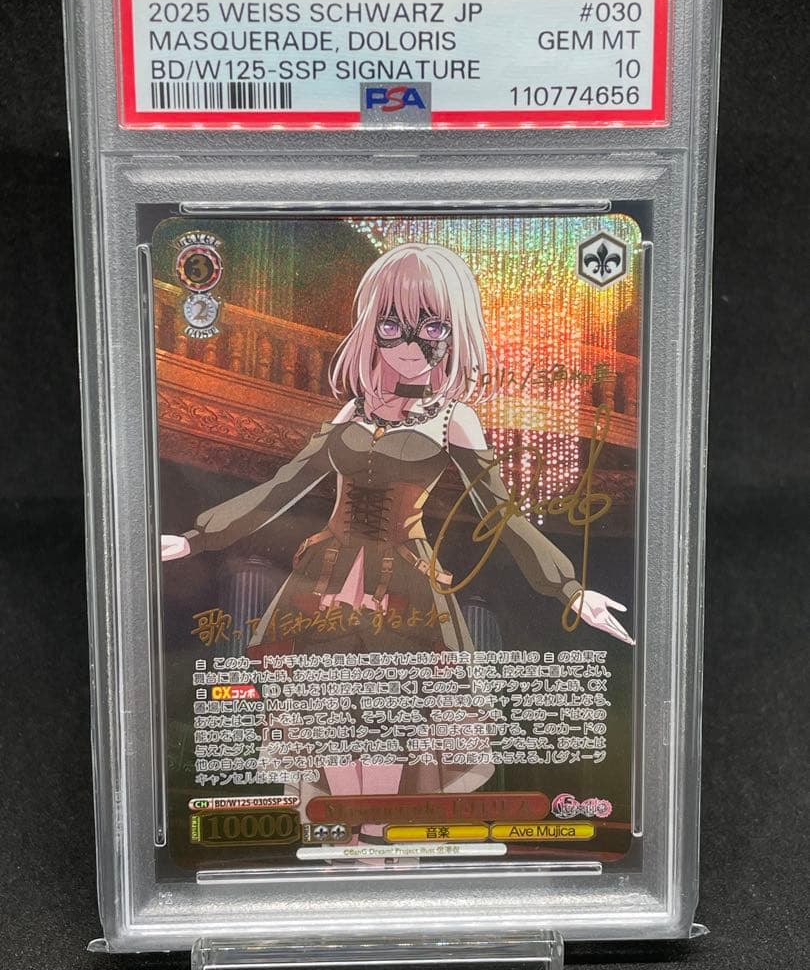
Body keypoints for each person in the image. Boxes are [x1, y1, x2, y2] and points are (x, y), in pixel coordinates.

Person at [162, 241, 632, 825]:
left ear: (454, 333)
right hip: (325, 583)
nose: (411, 345)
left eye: (432, 328)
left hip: (402, 589)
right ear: (371, 328)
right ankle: (345, 847)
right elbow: (283, 488)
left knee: (393, 726)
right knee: (327, 726)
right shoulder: (350, 413)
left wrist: (569, 589)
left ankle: (379, 845)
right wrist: (197, 538)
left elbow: (502, 515)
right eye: (392, 325)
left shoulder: (454, 418)